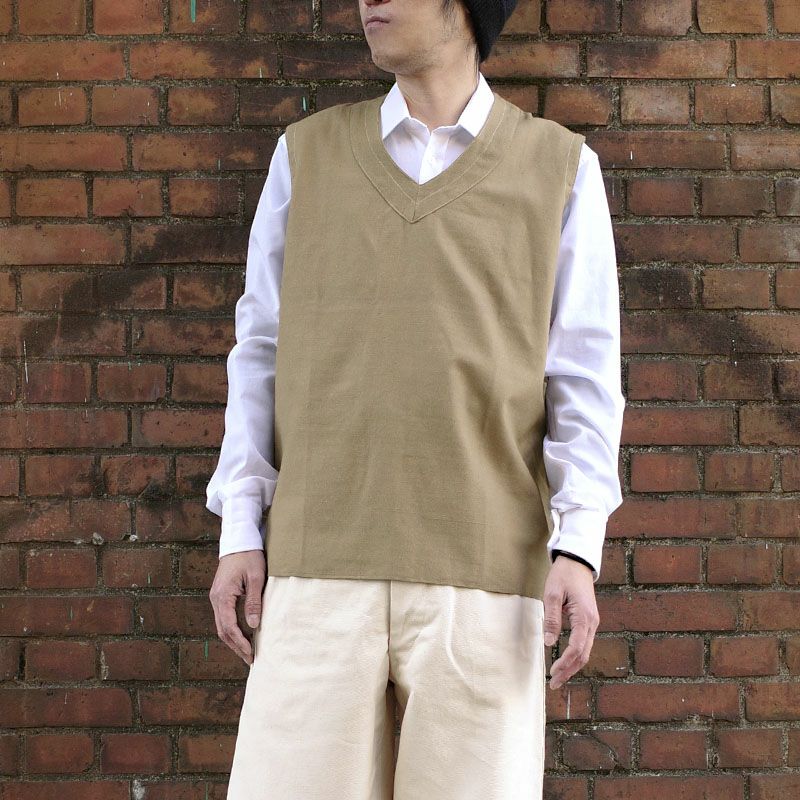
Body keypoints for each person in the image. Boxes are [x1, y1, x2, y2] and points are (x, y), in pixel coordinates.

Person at [206, 0, 625, 796]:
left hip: (487, 581)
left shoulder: (560, 168)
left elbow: (584, 376)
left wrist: (578, 547)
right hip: (316, 568)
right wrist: (239, 528)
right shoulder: (306, 155)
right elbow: (258, 352)